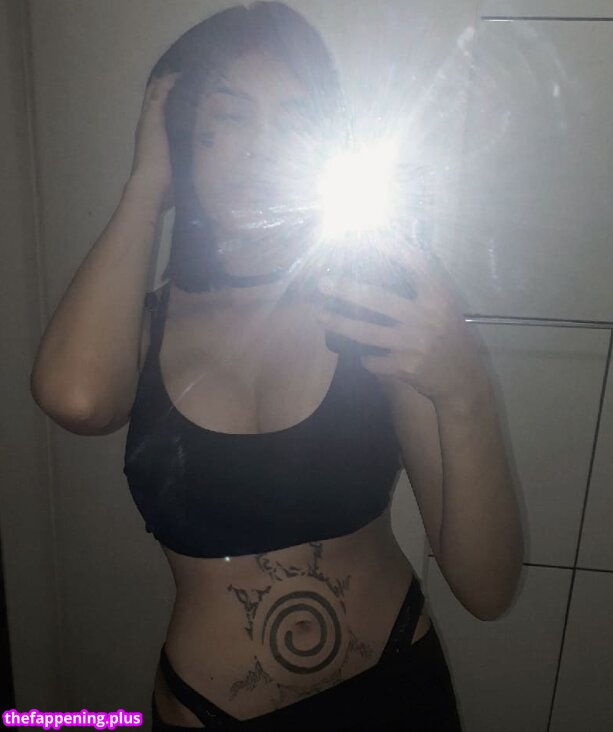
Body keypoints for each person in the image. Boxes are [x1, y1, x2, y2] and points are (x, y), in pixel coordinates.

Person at [31, 2, 523, 730]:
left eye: (294, 122)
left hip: (399, 691)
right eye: (231, 117)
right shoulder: (147, 326)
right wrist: (146, 186)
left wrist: (464, 388)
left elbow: (485, 590)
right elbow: (74, 399)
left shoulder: (375, 309)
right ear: (183, 140)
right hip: (211, 713)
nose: (262, 150)